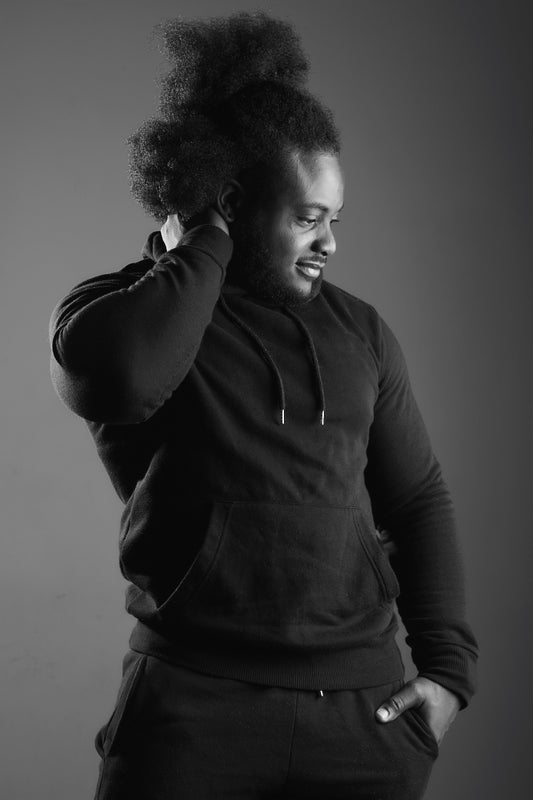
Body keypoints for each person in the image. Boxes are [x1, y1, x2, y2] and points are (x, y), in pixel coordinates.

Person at [49, 11, 478, 800]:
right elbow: (122, 382)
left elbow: (416, 498)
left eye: (334, 220)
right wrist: (206, 238)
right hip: (191, 708)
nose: (329, 243)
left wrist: (448, 671)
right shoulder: (121, 313)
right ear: (233, 203)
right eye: (307, 219)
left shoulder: (360, 332)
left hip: (361, 717)